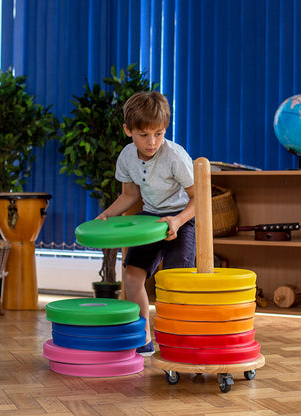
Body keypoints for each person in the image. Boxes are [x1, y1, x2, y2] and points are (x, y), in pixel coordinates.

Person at [96, 91, 195, 356]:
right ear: (128, 130)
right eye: (144, 135)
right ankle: (144, 339)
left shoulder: (175, 156)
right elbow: (130, 194)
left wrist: (177, 220)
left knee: (175, 282)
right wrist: (106, 216)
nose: (152, 142)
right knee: (131, 275)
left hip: (181, 219)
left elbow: (199, 200)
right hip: (150, 219)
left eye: (159, 134)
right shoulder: (127, 157)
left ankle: (178, 344)